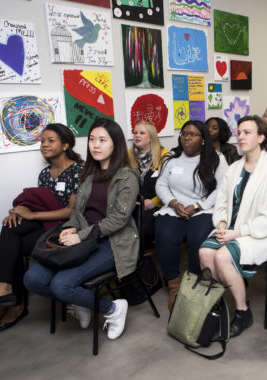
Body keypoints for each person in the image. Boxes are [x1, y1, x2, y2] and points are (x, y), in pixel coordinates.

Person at [23, 118, 140, 340]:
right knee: (33, 279)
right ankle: (80, 302)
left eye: (102, 140)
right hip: (82, 237)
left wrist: (81, 235)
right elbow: (77, 211)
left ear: (115, 144)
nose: (95, 145)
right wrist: (69, 228)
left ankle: (113, 309)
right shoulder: (88, 173)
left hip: (112, 242)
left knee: (61, 285)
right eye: (92, 140)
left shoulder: (127, 176)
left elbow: (118, 220)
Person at [0, 124, 83, 332]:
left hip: (67, 227)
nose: (44, 145)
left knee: (14, 248)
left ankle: (16, 303)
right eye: (42, 141)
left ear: (65, 145)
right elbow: (41, 202)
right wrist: (20, 210)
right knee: (10, 225)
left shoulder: (78, 171)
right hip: (45, 223)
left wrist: (32, 215)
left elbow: (70, 212)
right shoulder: (45, 174)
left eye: (51, 140)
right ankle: (6, 289)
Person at [199, 115, 267, 338]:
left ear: (261, 137)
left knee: (221, 258)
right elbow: (221, 202)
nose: (240, 136)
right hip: (231, 228)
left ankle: (242, 311)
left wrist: (236, 233)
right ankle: (217, 304)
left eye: (247, 132)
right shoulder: (234, 168)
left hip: (263, 234)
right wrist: (220, 223)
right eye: (239, 132)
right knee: (205, 252)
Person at [154, 121, 227, 310]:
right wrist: (174, 203)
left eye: (192, 135)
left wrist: (197, 206)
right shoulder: (172, 157)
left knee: (198, 238)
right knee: (164, 234)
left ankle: (193, 282)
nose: (186, 138)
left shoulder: (216, 159)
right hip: (174, 207)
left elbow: (222, 189)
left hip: (203, 208)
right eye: (184, 134)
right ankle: (174, 285)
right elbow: (161, 184)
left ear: (203, 140)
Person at [128, 121, 169, 249]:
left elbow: (171, 187)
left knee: (142, 230)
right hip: (133, 204)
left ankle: (138, 262)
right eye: (135, 133)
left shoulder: (165, 156)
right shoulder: (128, 155)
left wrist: (154, 202)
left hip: (158, 204)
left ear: (151, 137)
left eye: (142, 133)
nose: (137, 135)